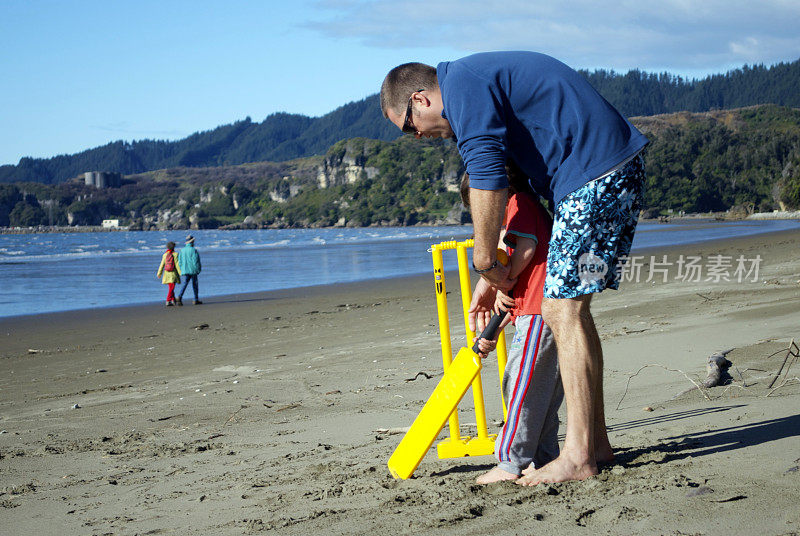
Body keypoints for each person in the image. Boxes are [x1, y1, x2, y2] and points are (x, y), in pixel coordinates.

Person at [381, 51, 648, 484]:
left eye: (409, 127)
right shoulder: (476, 81)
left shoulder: (463, 87)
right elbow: (508, 177)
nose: (416, 136)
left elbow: (488, 174)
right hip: (604, 171)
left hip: (595, 174)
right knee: (574, 309)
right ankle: (595, 443)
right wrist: (492, 280)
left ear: (420, 100)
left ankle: (579, 455)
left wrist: (485, 263)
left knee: (562, 309)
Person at [462, 169, 564, 485]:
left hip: (537, 314)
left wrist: (502, 282)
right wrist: (494, 326)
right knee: (542, 394)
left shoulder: (520, 204)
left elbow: (527, 252)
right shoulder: (521, 209)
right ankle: (542, 458)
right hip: (540, 312)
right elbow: (516, 294)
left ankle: (510, 462)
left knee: (520, 385)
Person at [177, 235, 202, 305]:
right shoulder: (194, 250)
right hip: (193, 270)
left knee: (185, 283)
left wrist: (181, 269)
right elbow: (196, 261)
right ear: (192, 241)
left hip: (185, 269)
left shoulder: (182, 250)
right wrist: (198, 269)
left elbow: (180, 261)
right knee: (195, 284)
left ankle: (180, 296)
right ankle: (195, 299)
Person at [156, 241, 181, 306]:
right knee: (171, 288)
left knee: (171, 287)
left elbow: (162, 264)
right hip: (173, 274)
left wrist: (159, 273)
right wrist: (181, 272)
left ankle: (173, 300)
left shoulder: (165, 255)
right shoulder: (175, 254)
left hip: (166, 274)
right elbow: (177, 265)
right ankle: (168, 300)